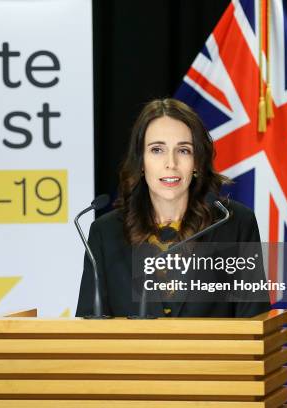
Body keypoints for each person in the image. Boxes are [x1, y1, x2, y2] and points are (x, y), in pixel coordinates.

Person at [76, 98, 270, 318]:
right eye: (157, 150)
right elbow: (89, 329)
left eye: (184, 150)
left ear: (196, 162)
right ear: (141, 161)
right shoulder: (105, 233)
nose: (171, 163)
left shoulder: (235, 224)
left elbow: (256, 325)